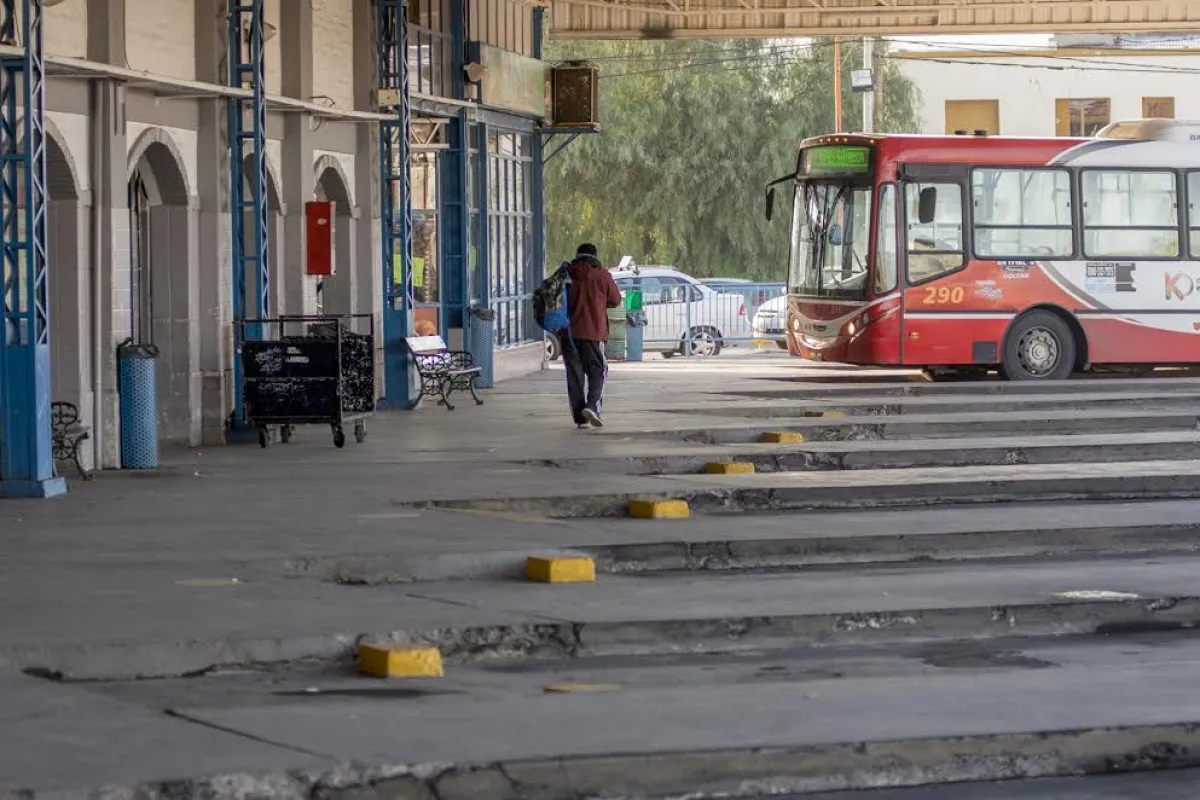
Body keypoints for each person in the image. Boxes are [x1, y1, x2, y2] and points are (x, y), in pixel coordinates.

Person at [560, 243, 622, 428]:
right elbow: (616, 300)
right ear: (595, 256)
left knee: (575, 375)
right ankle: (592, 407)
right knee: (598, 372)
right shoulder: (602, 276)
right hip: (592, 332)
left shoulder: (566, 275)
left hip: (567, 333)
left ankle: (581, 420)